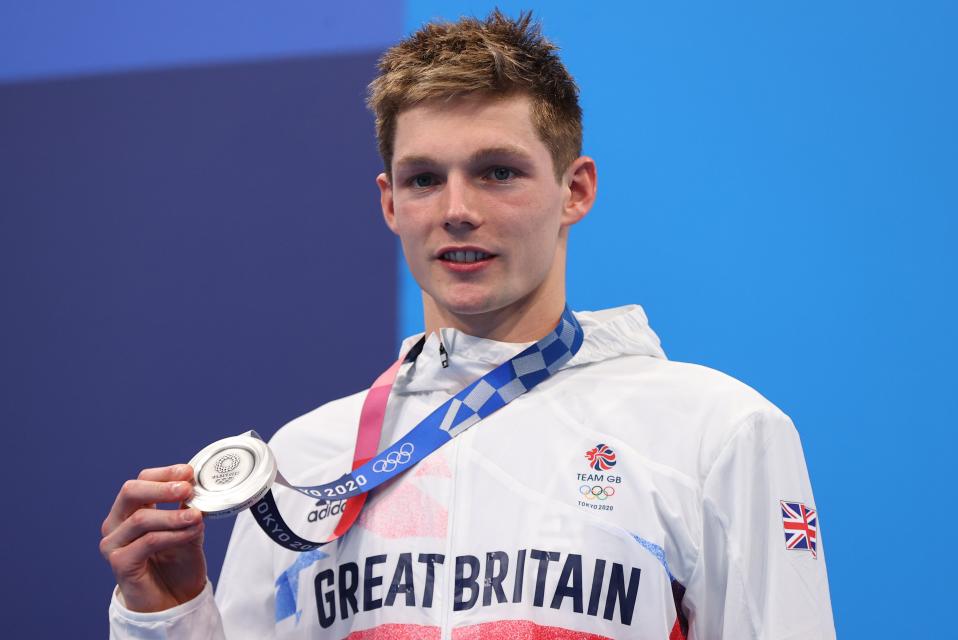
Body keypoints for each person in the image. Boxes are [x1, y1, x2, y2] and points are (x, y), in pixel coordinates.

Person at [101, 10, 835, 639]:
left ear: (574, 189)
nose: (457, 209)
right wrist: (167, 615)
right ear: (391, 204)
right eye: (425, 178)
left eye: (497, 171)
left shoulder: (714, 431)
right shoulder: (304, 465)